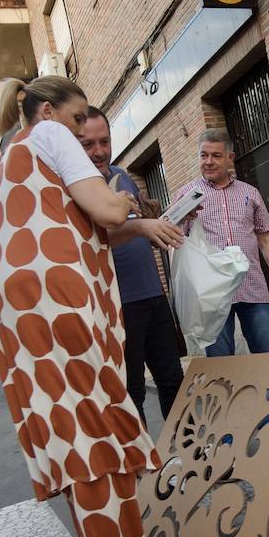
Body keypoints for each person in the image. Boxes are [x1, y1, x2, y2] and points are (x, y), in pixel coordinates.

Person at [0, 75, 175, 537]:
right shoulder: (48, 135)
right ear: (47, 112)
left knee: (70, 435)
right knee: (97, 435)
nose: (82, 130)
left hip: (17, 312)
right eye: (77, 118)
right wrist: (124, 201)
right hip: (57, 299)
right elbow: (107, 212)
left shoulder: (4, 163)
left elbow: (86, 226)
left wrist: (127, 219)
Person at [78, 105, 186, 421]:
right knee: (131, 392)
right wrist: (140, 226)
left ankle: (183, 448)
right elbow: (93, 240)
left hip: (153, 295)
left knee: (173, 381)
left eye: (105, 142)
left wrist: (168, 219)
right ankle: (139, 454)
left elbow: (143, 228)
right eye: (88, 144)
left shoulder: (122, 175)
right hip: (117, 306)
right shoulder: (77, 190)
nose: (99, 151)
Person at [170, 129, 269, 356]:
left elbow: (265, 240)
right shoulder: (187, 195)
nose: (208, 161)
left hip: (252, 287)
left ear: (230, 157)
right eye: (203, 155)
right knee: (221, 362)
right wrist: (182, 219)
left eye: (216, 155)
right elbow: (172, 239)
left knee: (268, 356)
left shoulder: (250, 193)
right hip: (211, 294)